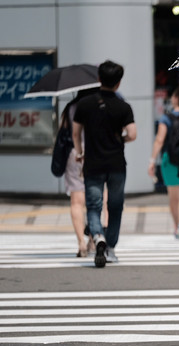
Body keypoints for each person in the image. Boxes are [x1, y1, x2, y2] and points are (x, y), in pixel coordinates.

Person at [72, 60, 137, 268]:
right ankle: (110, 247)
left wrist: (80, 153)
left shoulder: (85, 104)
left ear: (99, 79)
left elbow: (75, 132)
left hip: (93, 163)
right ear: (118, 83)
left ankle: (98, 235)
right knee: (115, 206)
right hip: (117, 163)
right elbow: (133, 134)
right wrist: (121, 139)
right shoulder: (123, 107)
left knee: (93, 205)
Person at [148, 85, 179, 239]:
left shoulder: (166, 118)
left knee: (173, 196)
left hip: (169, 160)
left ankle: (177, 227)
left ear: (175, 98)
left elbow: (159, 140)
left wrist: (152, 161)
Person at [61, 88, 100, 257]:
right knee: (95, 199)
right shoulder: (97, 106)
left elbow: (65, 132)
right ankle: (93, 239)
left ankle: (81, 244)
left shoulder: (70, 108)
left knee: (76, 202)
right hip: (94, 153)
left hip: (74, 154)